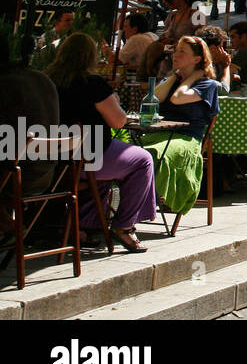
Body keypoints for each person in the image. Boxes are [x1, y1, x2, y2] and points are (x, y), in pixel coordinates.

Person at [46, 33, 156, 252]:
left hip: (51, 161)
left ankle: (83, 225)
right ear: (90, 57)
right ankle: (124, 226)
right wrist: (113, 99)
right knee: (143, 160)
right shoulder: (92, 83)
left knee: (104, 171)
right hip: (86, 158)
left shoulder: (47, 79)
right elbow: (118, 121)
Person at [142, 35, 222, 218]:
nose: (175, 55)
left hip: (187, 138)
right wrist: (176, 76)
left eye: (182, 52)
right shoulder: (173, 81)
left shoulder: (207, 85)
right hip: (160, 133)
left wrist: (192, 77)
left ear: (197, 59)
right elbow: (153, 99)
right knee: (135, 152)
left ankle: (145, 203)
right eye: (176, 50)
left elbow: (176, 99)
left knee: (154, 154)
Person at [0, 28, 60, 242]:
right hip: (47, 173)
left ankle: (7, 223)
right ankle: (7, 223)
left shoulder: (5, 84)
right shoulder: (41, 78)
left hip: (16, 177)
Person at [144, 0, 200, 77]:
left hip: (185, 67)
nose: (164, 2)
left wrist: (178, 44)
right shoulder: (171, 16)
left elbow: (201, 41)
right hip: (166, 64)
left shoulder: (197, 16)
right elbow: (166, 35)